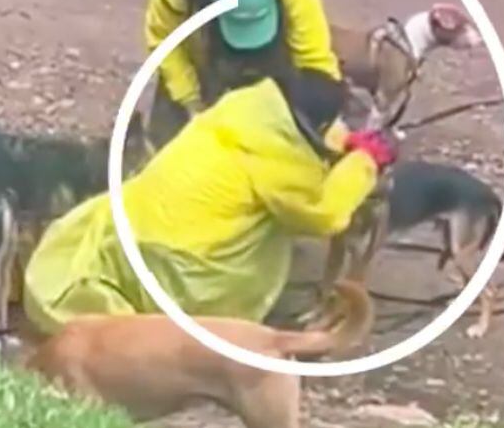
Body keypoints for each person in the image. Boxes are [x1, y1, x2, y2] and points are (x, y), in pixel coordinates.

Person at [21, 69, 397, 331]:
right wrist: (364, 162)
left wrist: (341, 144)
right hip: (174, 264)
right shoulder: (279, 162)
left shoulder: (243, 110)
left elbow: (303, 132)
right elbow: (323, 215)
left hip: (126, 225)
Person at [144, 0, 342, 147]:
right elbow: (166, 46)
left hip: (273, 50)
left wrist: (323, 120)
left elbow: (315, 58)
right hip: (203, 46)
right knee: (171, 137)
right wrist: (192, 103)